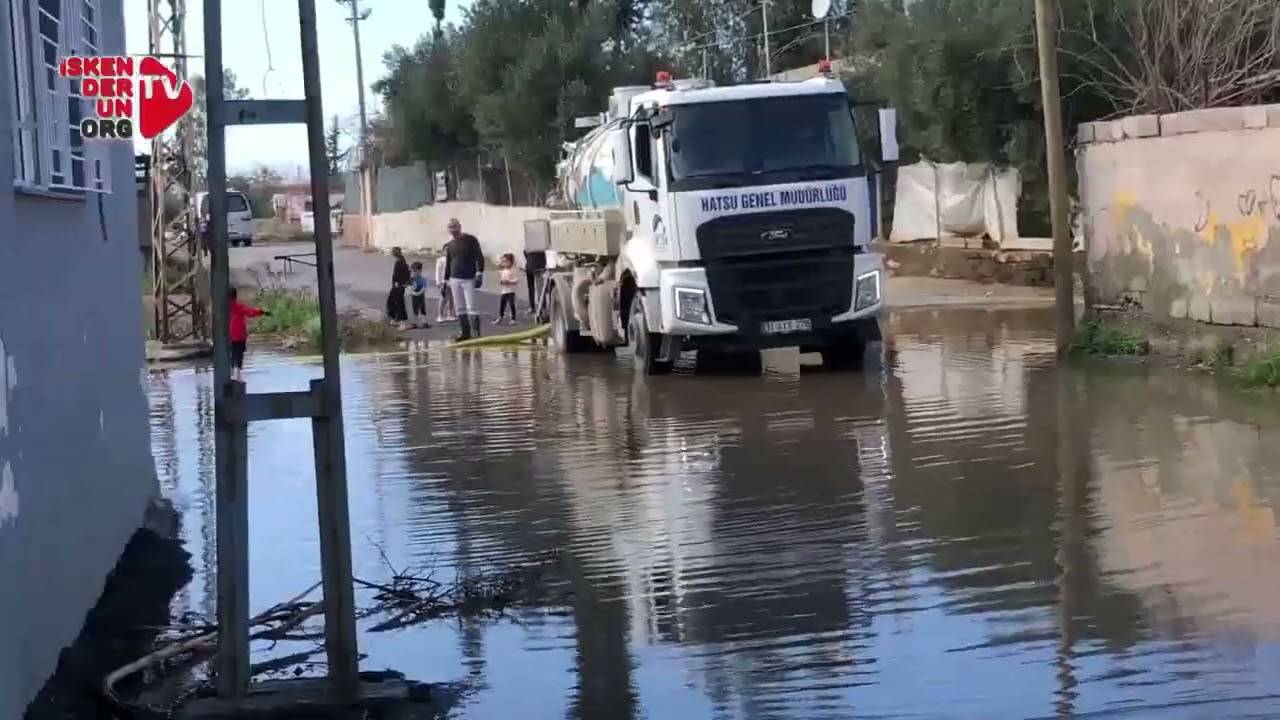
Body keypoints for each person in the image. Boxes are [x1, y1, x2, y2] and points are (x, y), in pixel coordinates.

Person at [442, 218, 485, 341]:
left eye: (454, 227)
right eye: (450, 227)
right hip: (455, 278)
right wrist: (445, 280)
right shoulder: (450, 246)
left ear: (459, 227)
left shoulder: (470, 240)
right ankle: (465, 332)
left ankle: (476, 333)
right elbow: (449, 263)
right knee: (459, 307)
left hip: (469, 278)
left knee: (471, 306)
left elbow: (479, 257)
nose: (453, 230)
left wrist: (479, 273)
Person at [228, 287, 269, 383]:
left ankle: (231, 375)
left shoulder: (224, 308)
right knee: (239, 355)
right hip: (239, 335)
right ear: (235, 296)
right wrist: (262, 311)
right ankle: (238, 377)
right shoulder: (238, 307)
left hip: (228, 336)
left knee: (232, 355)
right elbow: (250, 312)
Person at [387, 246, 411, 329]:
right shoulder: (401, 261)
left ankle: (400, 319)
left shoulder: (400, 262)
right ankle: (399, 318)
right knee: (397, 301)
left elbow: (399, 275)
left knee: (395, 302)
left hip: (398, 285)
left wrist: (399, 283)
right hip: (399, 285)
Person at [496, 253, 519, 325]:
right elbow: (501, 280)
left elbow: (516, 280)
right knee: (502, 304)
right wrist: (501, 282)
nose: (505, 264)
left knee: (512, 304)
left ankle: (513, 318)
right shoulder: (503, 271)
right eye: (504, 262)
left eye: (507, 262)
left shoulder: (512, 271)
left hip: (511, 291)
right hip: (504, 291)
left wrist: (509, 282)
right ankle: (500, 317)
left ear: (511, 262)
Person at [524, 247, 547, 316]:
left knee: (532, 288)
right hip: (538, 266)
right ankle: (542, 307)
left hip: (530, 266)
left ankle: (533, 307)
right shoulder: (541, 246)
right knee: (539, 287)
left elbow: (525, 252)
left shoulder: (529, 245)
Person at [409, 261, 431, 329]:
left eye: (416, 271)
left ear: (420, 270)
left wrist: (419, 293)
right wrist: (413, 292)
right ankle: (415, 323)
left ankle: (424, 323)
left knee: (422, 309)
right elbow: (410, 287)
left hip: (420, 296)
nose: (414, 273)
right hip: (414, 296)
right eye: (413, 271)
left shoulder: (423, 279)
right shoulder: (412, 279)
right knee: (415, 310)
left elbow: (424, 288)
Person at [434, 252, 455, 322]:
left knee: (451, 297)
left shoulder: (453, 259)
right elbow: (438, 272)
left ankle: (449, 314)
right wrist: (439, 282)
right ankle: (440, 315)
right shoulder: (441, 260)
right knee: (443, 298)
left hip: (451, 281)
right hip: (443, 282)